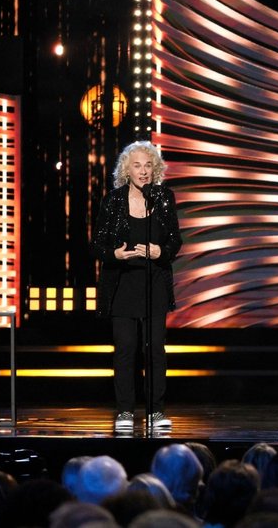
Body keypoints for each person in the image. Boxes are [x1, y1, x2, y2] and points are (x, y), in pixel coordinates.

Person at [90, 140, 182, 432]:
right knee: (126, 349)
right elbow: (98, 245)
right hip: (122, 284)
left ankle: (156, 411)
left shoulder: (164, 198)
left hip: (154, 281)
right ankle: (125, 411)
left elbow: (175, 240)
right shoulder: (113, 200)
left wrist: (161, 252)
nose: (143, 171)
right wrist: (114, 254)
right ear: (126, 170)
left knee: (155, 348)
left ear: (155, 169)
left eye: (148, 165)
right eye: (137, 165)